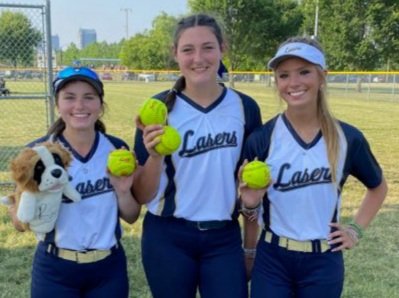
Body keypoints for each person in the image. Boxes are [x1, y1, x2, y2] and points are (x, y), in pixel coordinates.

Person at [239, 36, 388, 298]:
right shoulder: (261, 139)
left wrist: (355, 230)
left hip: (324, 261)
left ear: (322, 77)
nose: (293, 83)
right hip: (273, 258)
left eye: (304, 72)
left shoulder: (347, 138)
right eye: (284, 75)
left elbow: (378, 187)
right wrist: (250, 206)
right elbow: (250, 213)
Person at [132, 13, 262, 298]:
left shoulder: (245, 107)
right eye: (188, 49)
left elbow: (253, 188)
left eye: (208, 47)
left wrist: (250, 246)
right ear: (175, 54)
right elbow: (141, 195)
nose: (198, 58)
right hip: (167, 236)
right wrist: (154, 156)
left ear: (222, 49)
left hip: (224, 237)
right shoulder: (158, 107)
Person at [9, 66, 141, 298]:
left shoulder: (116, 148)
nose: (79, 106)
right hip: (55, 267)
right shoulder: (37, 153)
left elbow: (131, 216)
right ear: (57, 105)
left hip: (107, 267)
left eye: (89, 97)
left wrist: (122, 192)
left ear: (101, 105)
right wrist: (24, 210)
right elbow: (20, 223)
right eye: (69, 97)